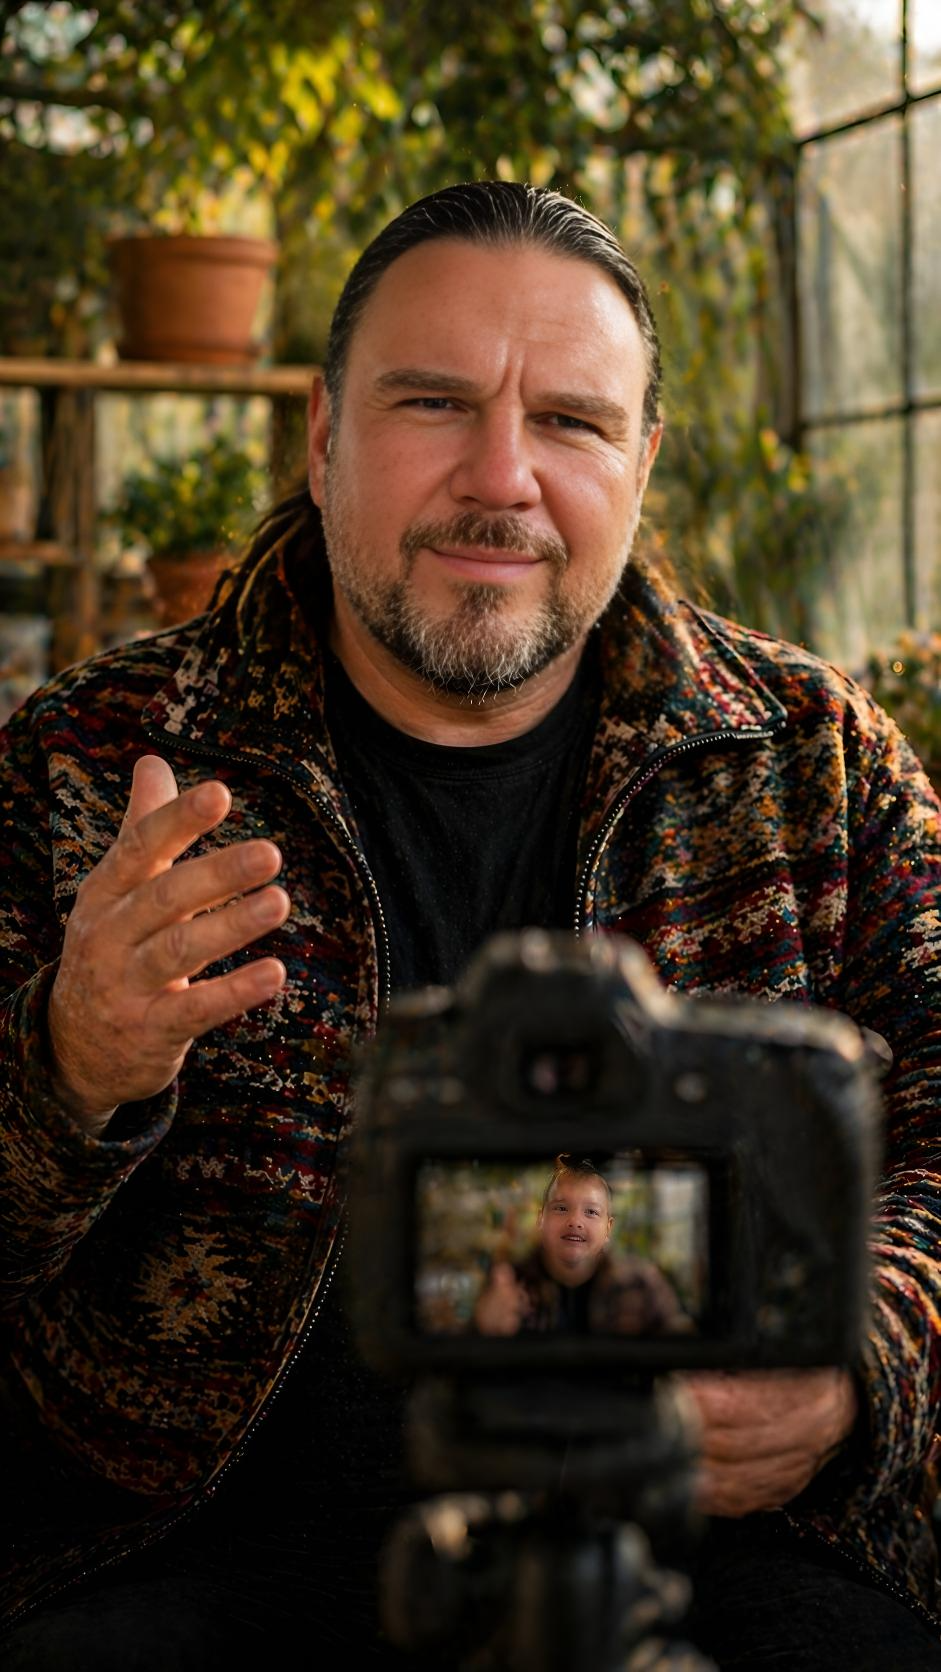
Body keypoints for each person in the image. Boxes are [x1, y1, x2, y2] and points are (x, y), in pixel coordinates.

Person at [0, 179, 939, 1669]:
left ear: (642, 460)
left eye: (569, 421)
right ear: (321, 438)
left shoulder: (809, 763)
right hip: (192, 1560)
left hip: (711, 1555)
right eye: (433, 403)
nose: (500, 477)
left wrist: (863, 1377)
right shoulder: (87, 759)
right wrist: (65, 1066)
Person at [473, 1154, 692, 1337]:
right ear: (541, 1220)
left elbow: (686, 1347)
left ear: (608, 1228)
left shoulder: (642, 1283)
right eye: (561, 1208)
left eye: (591, 1212)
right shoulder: (510, 1283)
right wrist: (484, 1333)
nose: (575, 1221)